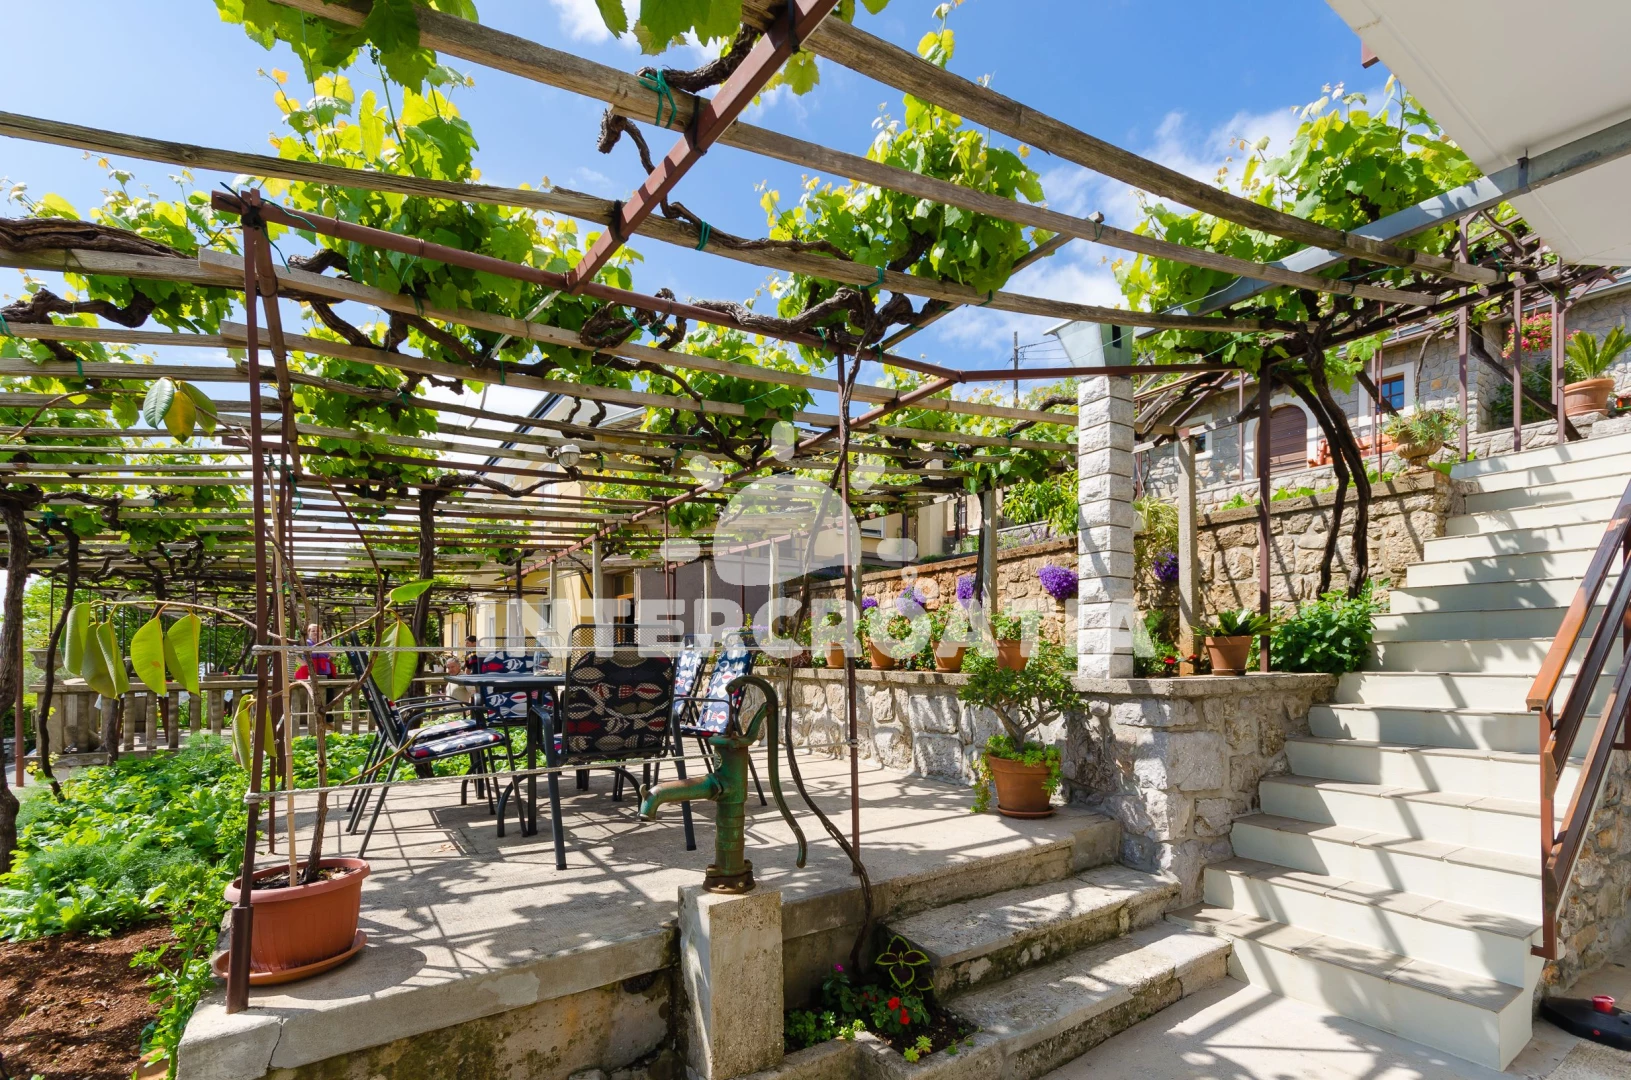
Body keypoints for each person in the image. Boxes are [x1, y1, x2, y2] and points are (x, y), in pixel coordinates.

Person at [293, 622, 336, 725]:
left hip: (326, 672)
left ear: (321, 632)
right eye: (313, 631)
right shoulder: (305, 643)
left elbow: (334, 654)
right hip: (310, 671)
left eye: (318, 630)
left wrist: (323, 644)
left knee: (329, 696)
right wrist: (303, 663)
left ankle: (328, 721)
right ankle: (311, 721)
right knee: (311, 695)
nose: (316, 633)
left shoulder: (326, 643)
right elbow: (291, 651)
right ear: (308, 633)